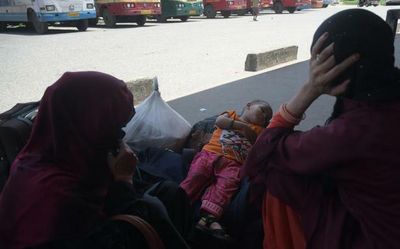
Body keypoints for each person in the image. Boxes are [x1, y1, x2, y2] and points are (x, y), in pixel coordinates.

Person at [242, 9, 400, 249]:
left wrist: (310, 89)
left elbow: (259, 156)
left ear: (334, 69)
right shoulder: (383, 98)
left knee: (276, 175)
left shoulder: (352, 132)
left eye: (319, 61)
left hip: (373, 239)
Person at [0, 71, 191, 249]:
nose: (120, 136)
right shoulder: (57, 195)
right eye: (115, 128)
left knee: (169, 192)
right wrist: (124, 181)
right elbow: (121, 236)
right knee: (154, 207)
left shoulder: (52, 154)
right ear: (90, 127)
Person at [180, 100, 272, 240]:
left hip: (234, 164)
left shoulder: (260, 130)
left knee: (226, 187)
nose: (265, 117)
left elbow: (260, 142)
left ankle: (208, 218)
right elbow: (219, 122)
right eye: (263, 110)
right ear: (248, 105)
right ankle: (179, 201)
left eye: (268, 117)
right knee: (196, 175)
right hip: (210, 154)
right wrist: (241, 125)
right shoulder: (231, 115)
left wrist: (249, 130)